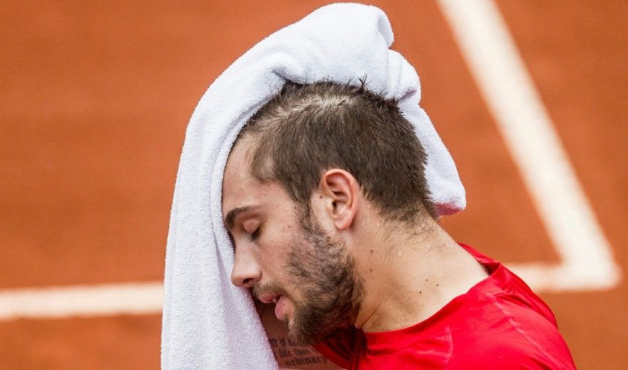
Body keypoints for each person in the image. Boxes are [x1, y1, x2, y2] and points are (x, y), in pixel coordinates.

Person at [221, 80, 576, 369]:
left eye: (254, 229)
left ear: (337, 200)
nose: (239, 272)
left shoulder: (497, 360)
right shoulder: (365, 312)